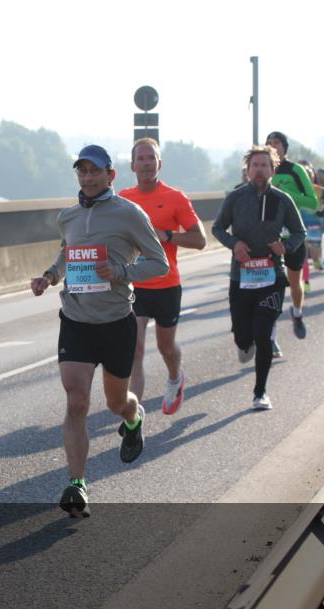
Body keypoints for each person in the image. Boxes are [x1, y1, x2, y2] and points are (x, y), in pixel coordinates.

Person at [30, 145, 168, 517]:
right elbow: (67, 253)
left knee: (115, 403)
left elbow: (159, 263)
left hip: (115, 322)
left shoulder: (129, 214)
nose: (88, 178)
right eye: (82, 171)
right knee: (76, 401)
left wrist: (121, 272)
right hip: (75, 321)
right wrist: (49, 276)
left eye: (95, 171)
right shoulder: (69, 216)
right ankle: (77, 483)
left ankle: (134, 417)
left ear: (110, 175)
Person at [212, 145, 305, 410]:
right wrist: (235, 244)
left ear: (273, 170)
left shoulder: (282, 200)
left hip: (271, 277)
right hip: (241, 277)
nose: (260, 170)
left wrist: (284, 246)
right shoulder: (235, 198)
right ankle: (244, 341)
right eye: (255, 165)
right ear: (248, 170)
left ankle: (260, 392)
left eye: (265, 165)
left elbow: (300, 232)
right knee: (243, 337)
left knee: (263, 333)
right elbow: (217, 228)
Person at [120, 138, 206, 415]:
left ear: (159, 163)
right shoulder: (123, 199)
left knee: (165, 347)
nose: (145, 163)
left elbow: (200, 240)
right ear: (132, 165)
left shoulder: (175, 198)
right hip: (135, 285)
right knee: (135, 350)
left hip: (167, 285)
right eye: (140, 158)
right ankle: (133, 415)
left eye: (150, 158)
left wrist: (167, 235)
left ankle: (174, 377)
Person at [265, 132, 313, 344]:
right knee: (270, 287)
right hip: (267, 237)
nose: (273, 146)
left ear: (285, 147)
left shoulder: (295, 170)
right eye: (269, 143)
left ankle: (297, 312)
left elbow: (313, 202)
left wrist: (286, 194)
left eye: (277, 143)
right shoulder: (262, 170)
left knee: (295, 283)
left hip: (292, 235)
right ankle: (271, 337)